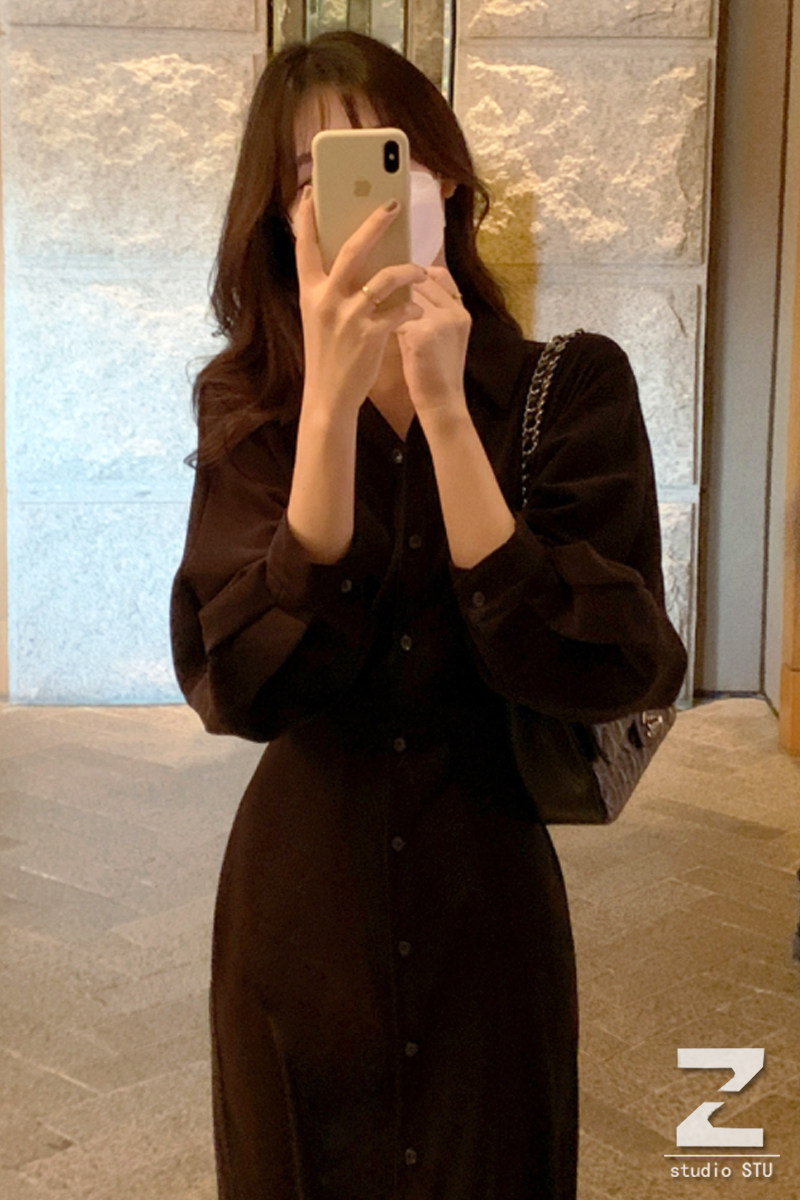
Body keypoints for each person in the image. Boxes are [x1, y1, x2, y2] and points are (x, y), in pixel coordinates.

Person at [170, 29, 687, 1200]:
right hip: (298, 913)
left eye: (382, 158)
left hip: (484, 910)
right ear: (280, 218)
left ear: (444, 174)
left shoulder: (569, 386)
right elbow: (239, 687)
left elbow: (610, 664)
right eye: (311, 175)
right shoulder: (247, 402)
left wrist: (448, 418)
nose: (351, 198)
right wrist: (327, 411)